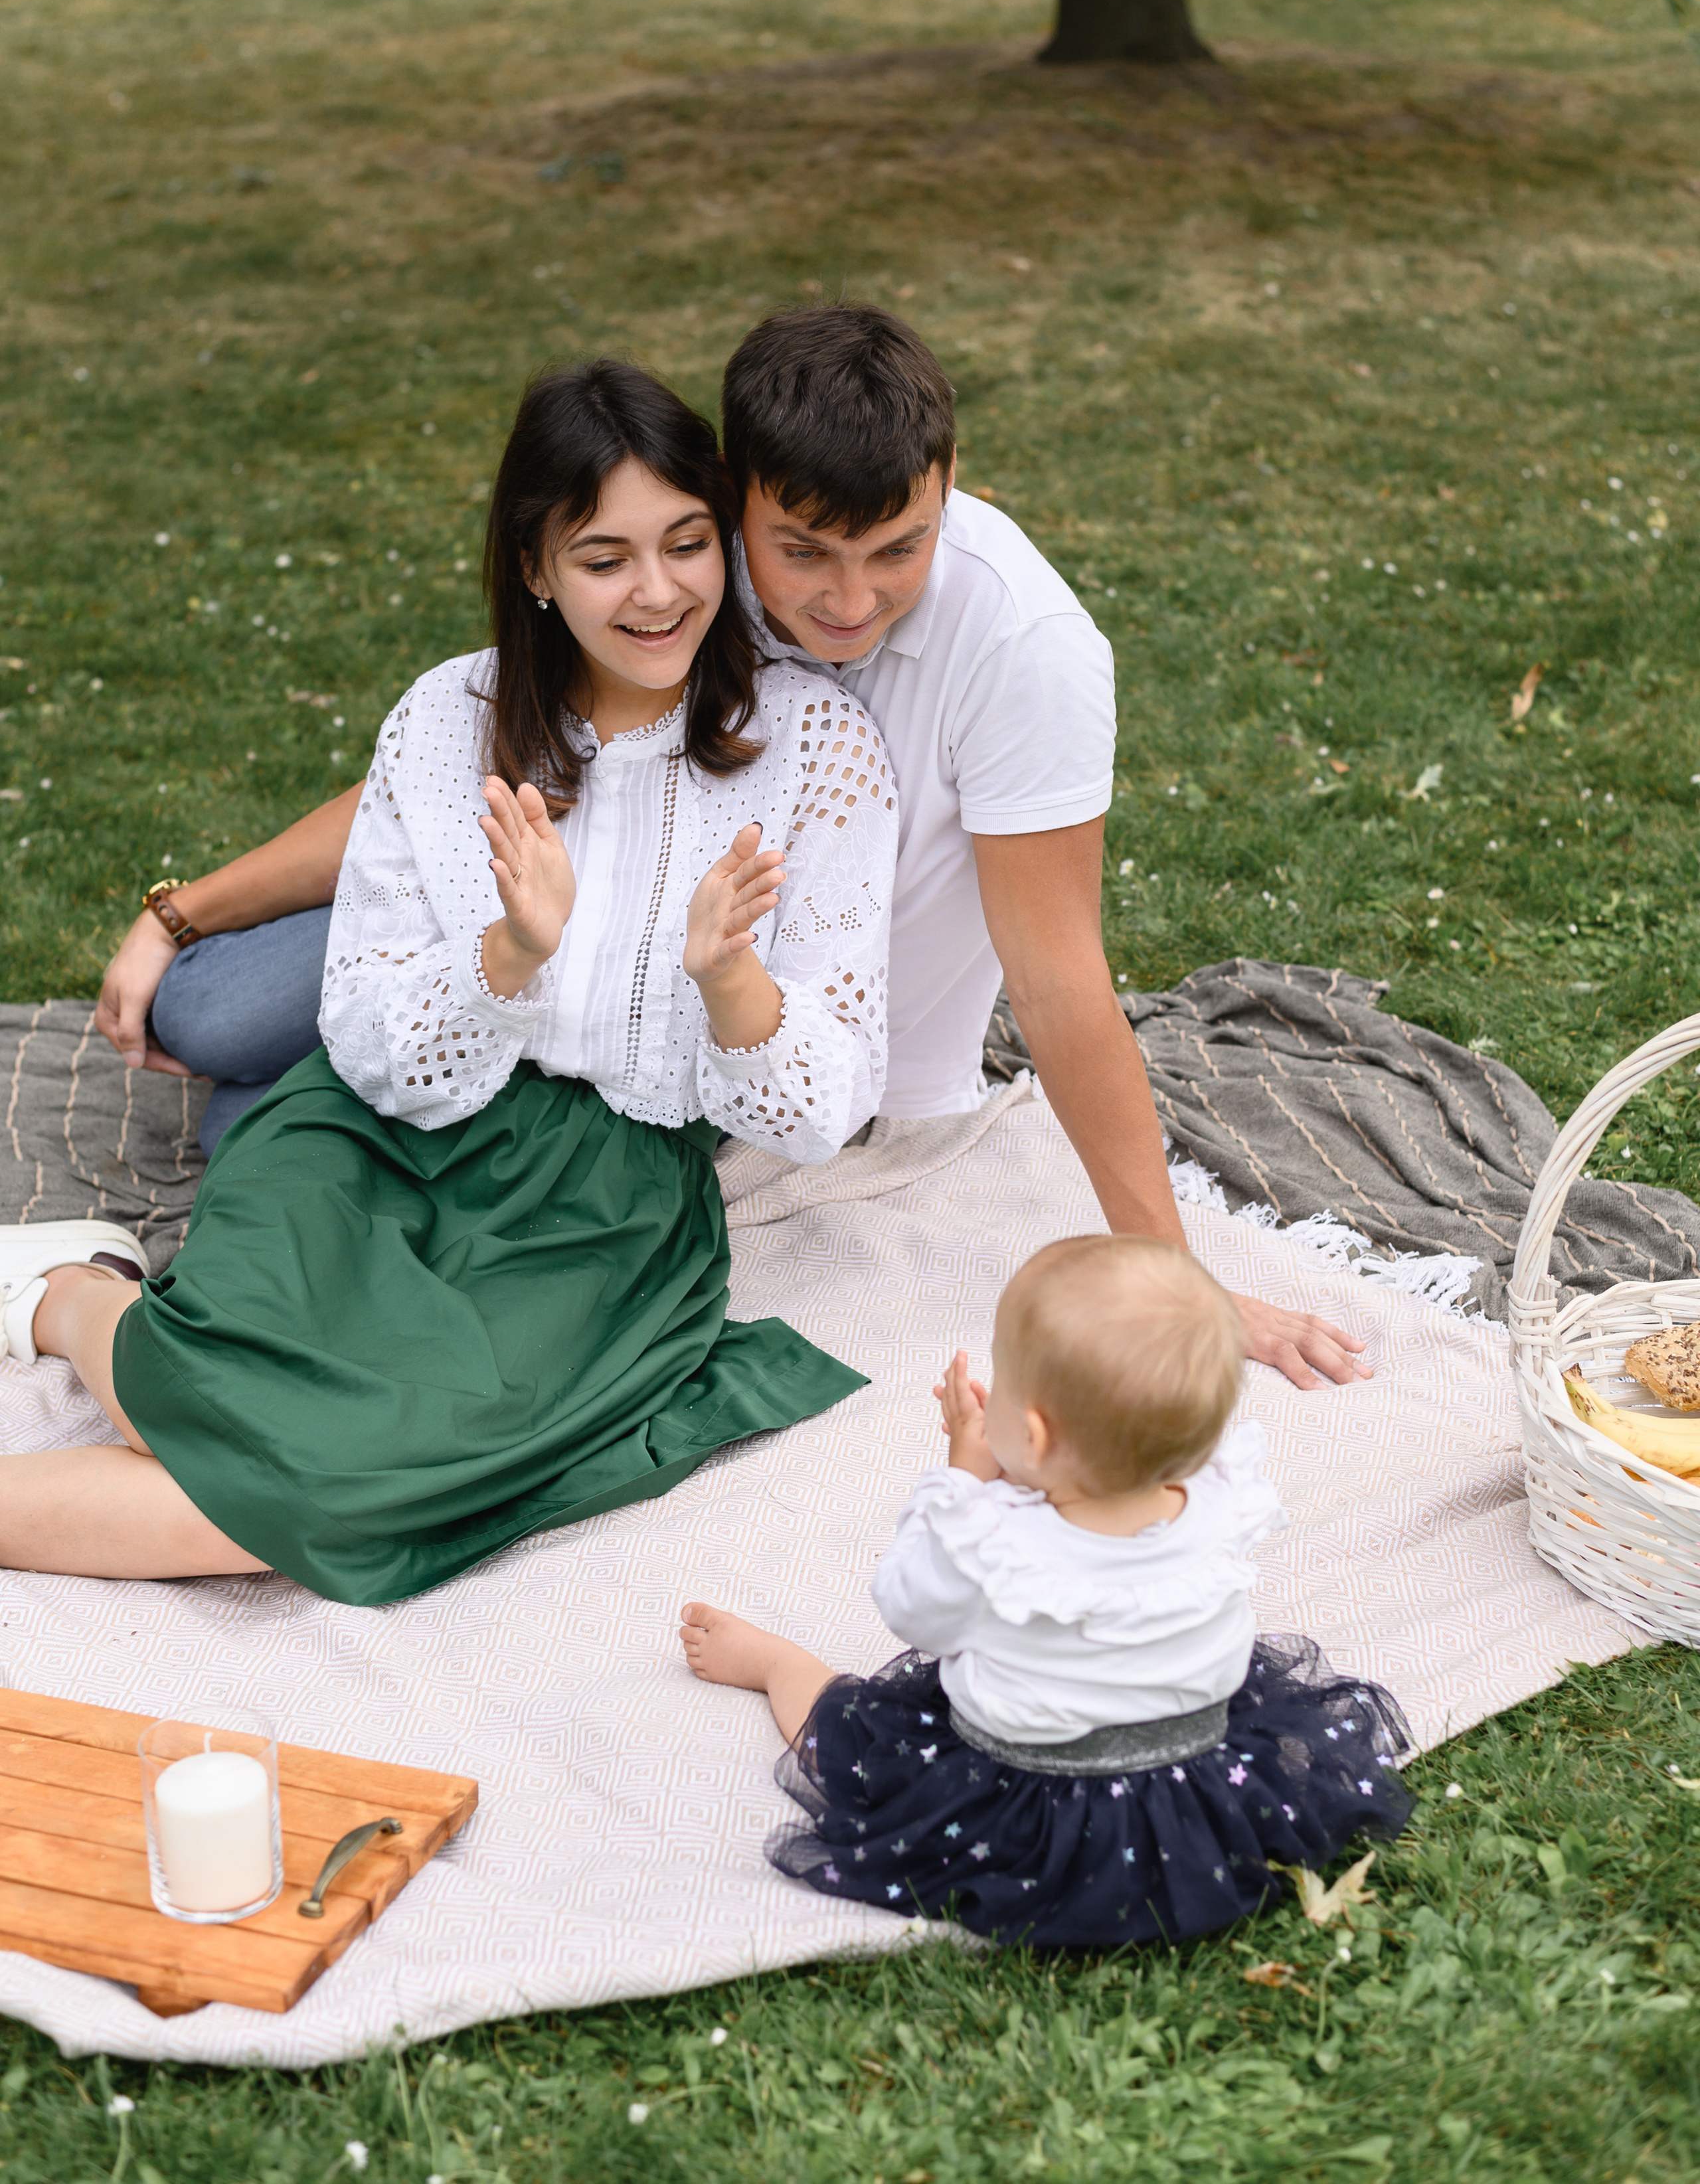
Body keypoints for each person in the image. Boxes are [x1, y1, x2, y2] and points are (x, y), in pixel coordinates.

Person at [94, 305, 1364, 1390]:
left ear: (951, 480)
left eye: (900, 549)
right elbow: (454, 770)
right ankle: (319, 1107)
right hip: (536, 932)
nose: (849, 600)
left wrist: (1174, 1272)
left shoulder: (1024, 650)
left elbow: (1059, 975)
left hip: (718, 1016)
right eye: (802, 552)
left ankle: (296, 1132)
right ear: (738, 490)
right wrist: (182, 910)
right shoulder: (691, 566)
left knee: (301, 1121)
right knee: (208, 1009)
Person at [0, 361, 894, 1602]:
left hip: (602, 1209)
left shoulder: (816, 745)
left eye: (688, 544)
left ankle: (69, 1295)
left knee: (327, 1490)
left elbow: (825, 1102)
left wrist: (729, 979)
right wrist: (508, 955)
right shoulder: (444, 718)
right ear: (536, 566)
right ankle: (70, 1292)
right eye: (605, 558)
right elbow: (367, 1034)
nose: (658, 591)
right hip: (387, 1137)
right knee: (224, 1420)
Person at [680, 1236, 1413, 1948]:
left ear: (1030, 1435)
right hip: (1199, 1791)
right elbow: (1109, 1456)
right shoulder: (1220, 1495)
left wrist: (961, 1479)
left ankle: (778, 1667)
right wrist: (1043, 1465)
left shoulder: (992, 1543)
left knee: (857, 1732)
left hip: (1029, 1806)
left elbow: (909, 1606)